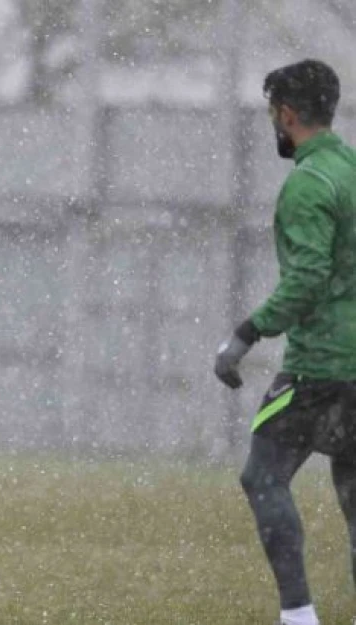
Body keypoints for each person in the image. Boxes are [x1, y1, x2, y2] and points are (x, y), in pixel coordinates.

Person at [214, 59, 356, 625]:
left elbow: (306, 280)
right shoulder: (349, 170)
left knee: (263, 474)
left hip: (321, 366)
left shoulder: (307, 184)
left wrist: (244, 335)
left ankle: (298, 616)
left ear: (288, 114)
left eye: (274, 114)